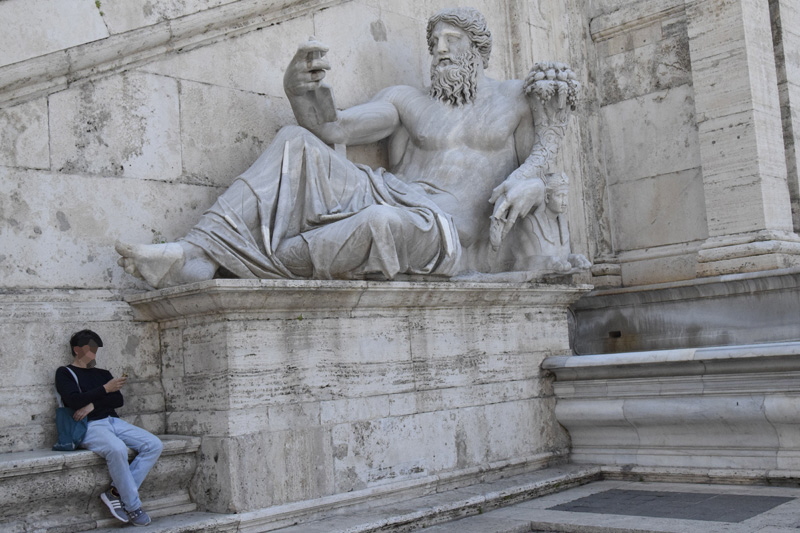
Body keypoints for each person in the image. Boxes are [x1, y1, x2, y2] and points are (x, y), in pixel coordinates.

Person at [116, 7, 580, 287]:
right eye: (434, 41)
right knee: (295, 140)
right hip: (388, 193)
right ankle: (196, 253)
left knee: (379, 223)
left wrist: (529, 183)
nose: (440, 49)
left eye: (452, 41)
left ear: (479, 50)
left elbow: (540, 163)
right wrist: (300, 89)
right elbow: (334, 130)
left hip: (446, 231)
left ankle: (248, 263)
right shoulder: (406, 100)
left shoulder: (514, 98)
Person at [55, 330, 163, 526]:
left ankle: (114, 492)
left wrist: (93, 404)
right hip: (88, 426)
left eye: (96, 349)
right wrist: (104, 390)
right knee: (117, 449)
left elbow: (118, 400)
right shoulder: (65, 373)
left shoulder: (103, 374)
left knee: (153, 444)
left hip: (112, 421)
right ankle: (132, 507)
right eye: (90, 349)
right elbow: (73, 400)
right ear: (77, 350)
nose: (94, 354)